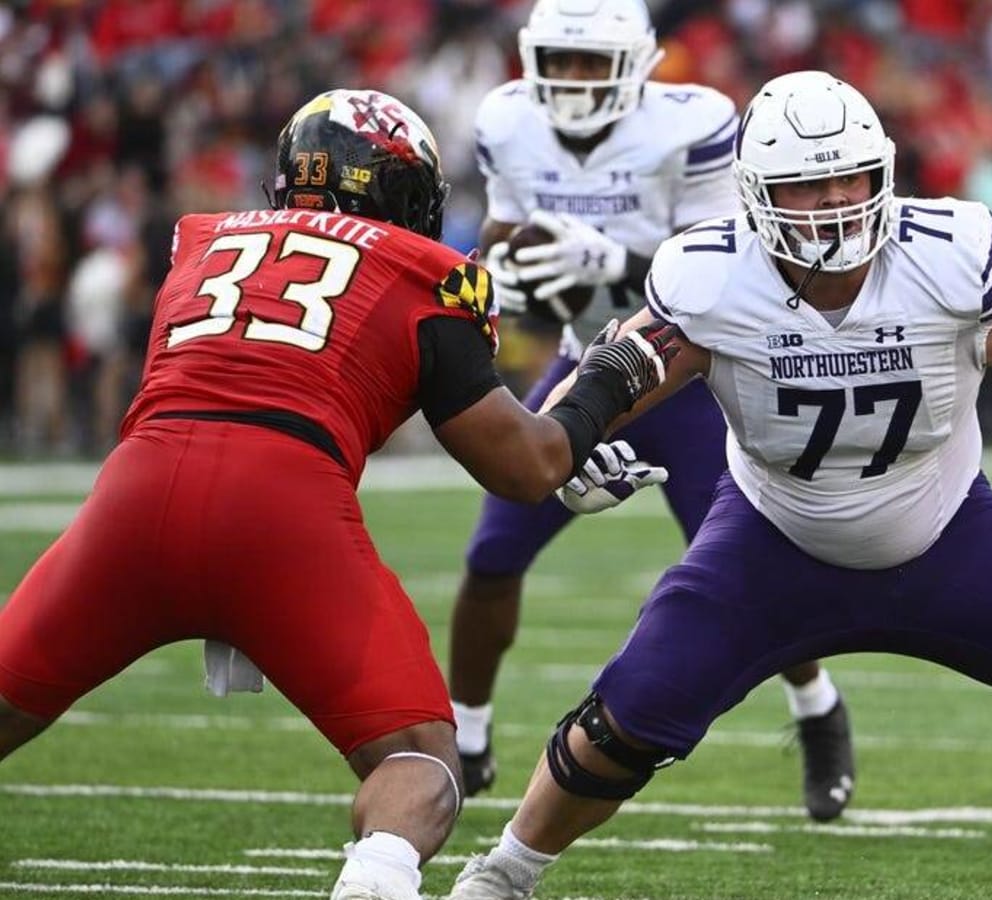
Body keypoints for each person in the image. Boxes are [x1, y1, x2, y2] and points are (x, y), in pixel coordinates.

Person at [444, 69, 992, 900]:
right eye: (805, 187)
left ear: (883, 172)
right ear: (754, 193)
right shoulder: (714, 276)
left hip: (951, 530)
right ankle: (504, 873)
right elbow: (613, 371)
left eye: (849, 176)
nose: (834, 201)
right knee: (621, 720)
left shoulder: (948, 255)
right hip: (774, 539)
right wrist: (571, 452)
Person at [0, 89, 677, 900]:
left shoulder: (202, 241)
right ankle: (375, 883)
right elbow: (524, 468)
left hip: (134, 494)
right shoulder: (423, 271)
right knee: (422, 765)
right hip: (284, 508)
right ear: (403, 194)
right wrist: (607, 381)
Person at [455, 0, 857, 819]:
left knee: (748, 571)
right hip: (582, 358)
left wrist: (613, 258)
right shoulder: (506, 118)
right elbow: (500, 228)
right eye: (558, 60)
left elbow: (732, 266)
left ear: (638, 62)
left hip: (684, 371)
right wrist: (507, 264)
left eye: (586, 61)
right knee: (495, 549)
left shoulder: (695, 123)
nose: (570, 79)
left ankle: (819, 708)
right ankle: (465, 737)